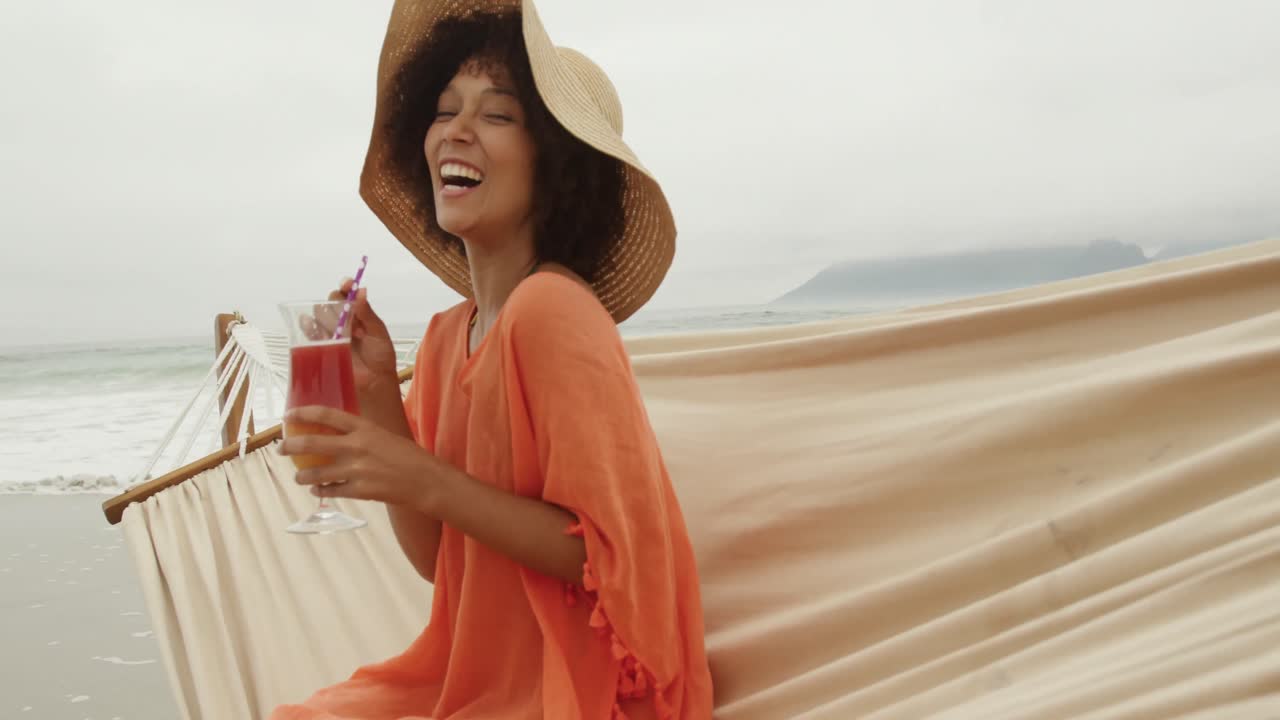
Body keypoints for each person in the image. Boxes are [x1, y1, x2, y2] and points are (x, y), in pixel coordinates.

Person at [271, 1, 713, 718]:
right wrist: (382, 394)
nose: (457, 131)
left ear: (557, 163)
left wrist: (420, 474)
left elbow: (607, 560)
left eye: (498, 116)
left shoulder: (554, 313)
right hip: (478, 672)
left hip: (582, 684)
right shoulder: (449, 336)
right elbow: (438, 562)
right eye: (444, 110)